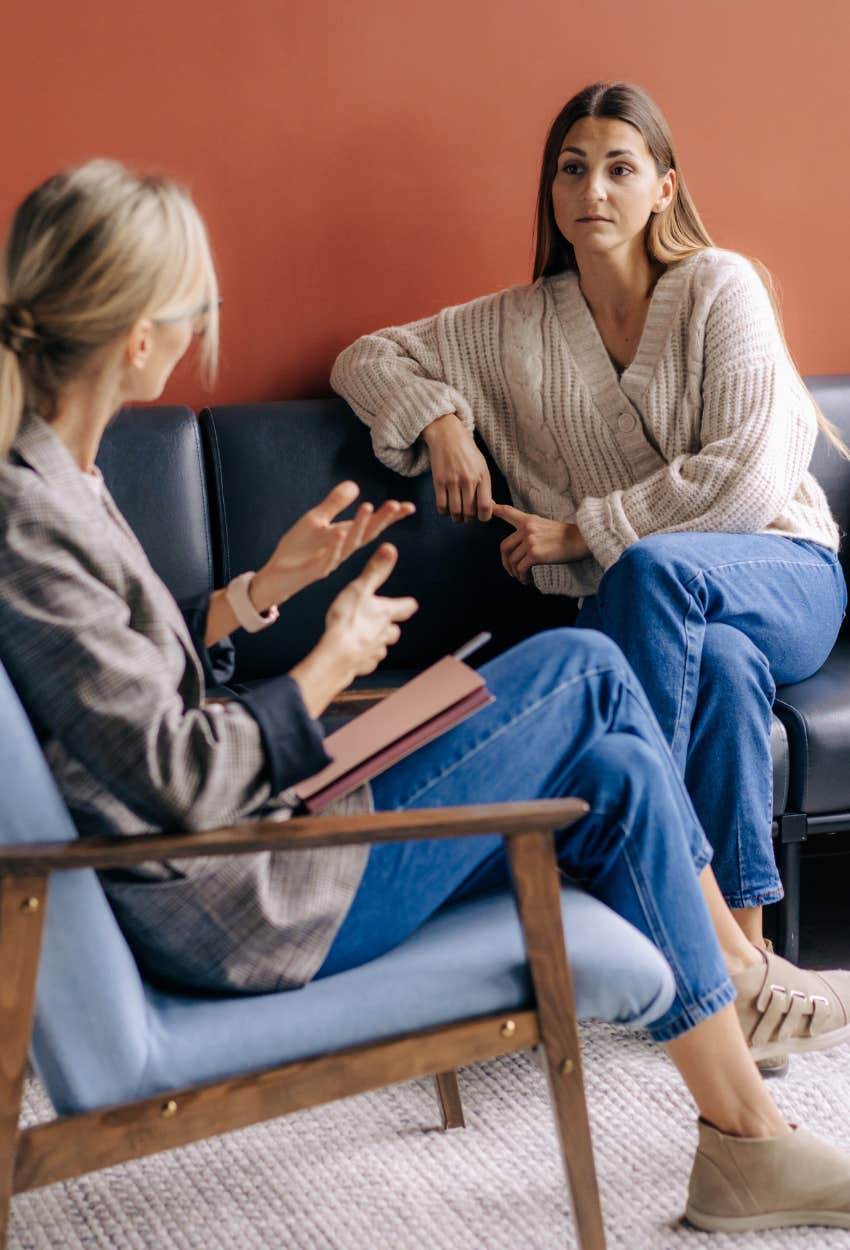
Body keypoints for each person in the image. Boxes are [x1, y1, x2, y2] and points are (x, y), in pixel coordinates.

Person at [1, 160, 850, 1234]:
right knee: (585, 676)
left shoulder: (55, 479)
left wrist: (264, 590)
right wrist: (326, 666)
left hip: (257, 841)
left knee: (609, 751)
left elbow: (120, 669)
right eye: (197, 309)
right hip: (240, 894)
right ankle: (736, 999)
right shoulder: (24, 514)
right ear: (135, 337)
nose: (201, 328)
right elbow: (173, 773)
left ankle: (745, 1136)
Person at [330, 80, 848, 1068]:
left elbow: (743, 477)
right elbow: (368, 356)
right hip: (673, 605)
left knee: (657, 577)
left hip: (782, 567)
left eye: (619, 166)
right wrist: (443, 418)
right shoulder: (516, 326)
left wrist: (582, 532)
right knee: (725, 668)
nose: (592, 188)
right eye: (572, 167)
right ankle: (744, 956)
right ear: (551, 188)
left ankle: (665, 914)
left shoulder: (718, 284)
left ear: (662, 186)